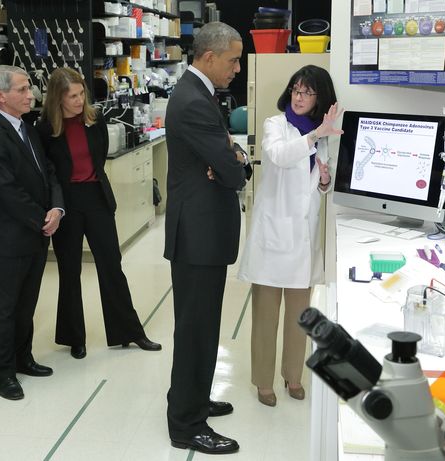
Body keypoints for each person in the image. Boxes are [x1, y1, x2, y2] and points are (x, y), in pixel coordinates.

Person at [36, 67, 161, 359]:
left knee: (111, 266)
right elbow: (49, 172)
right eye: (72, 96)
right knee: (69, 270)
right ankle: (73, 338)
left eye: (82, 94)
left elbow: (100, 157)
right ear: (58, 98)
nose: (79, 101)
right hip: (67, 204)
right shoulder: (45, 130)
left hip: (97, 198)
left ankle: (129, 332)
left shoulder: (95, 120)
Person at [164, 22, 247, 455]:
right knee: (196, 329)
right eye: (233, 60)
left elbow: (230, 156)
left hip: (201, 230)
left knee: (200, 325)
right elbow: (232, 169)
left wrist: (232, 159)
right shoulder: (193, 102)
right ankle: (185, 424)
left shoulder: (199, 95)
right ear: (209, 57)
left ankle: (190, 398)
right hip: (198, 234)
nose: (237, 68)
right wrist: (233, 165)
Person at [238, 65, 343, 407]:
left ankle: (293, 376)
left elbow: (320, 188)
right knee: (265, 318)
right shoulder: (275, 125)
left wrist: (325, 179)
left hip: (301, 241)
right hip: (273, 237)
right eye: (295, 90)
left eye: (307, 92)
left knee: (301, 318)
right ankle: (263, 382)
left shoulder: (323, 134)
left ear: (319, 98)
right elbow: (280, 156)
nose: (299, 97)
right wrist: (313, 138)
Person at [0, 65, 65, 401]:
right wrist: (41, 218)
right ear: (1, 95)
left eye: (30, 89)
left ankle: (23, 357)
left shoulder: (27, 129)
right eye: (23, 89)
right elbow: (7, 190)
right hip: (8, 238)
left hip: (36, 234)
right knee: (3, 308)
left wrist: (57, 209)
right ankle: (4, 373)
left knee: (27, 303)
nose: (32, 95)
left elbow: (49, 172)